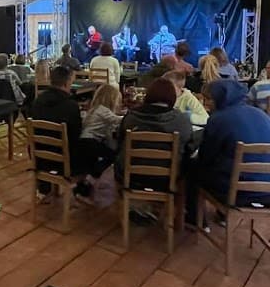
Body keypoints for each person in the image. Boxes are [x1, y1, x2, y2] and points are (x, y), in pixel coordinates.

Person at [185, 80, 270, 227]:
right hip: (266, 191)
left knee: (192, 168)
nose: (207, 104)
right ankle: (222, 216)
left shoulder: (219, 119)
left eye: (209, 99)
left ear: (221, 98)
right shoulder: (262, 116)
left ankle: (195, 219)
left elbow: (206, 157)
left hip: (236, 193)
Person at [115, 78, 194, 205]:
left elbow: (119, 142)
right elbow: (188, 147)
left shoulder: (131, 118)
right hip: (168, 178)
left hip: (131, 176)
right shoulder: (181, 121)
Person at [30, 66, 81, 192]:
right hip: (63, 160)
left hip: (39, 157)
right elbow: (76, 135)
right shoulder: (71, 105)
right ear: (66, 82)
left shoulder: (38, 101)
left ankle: (44, 185)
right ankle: (83, 189)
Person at [77, 83, 123, 197]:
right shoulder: (103, 110)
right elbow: (117, 120)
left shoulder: (95, 109)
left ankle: (85, 185)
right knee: (114, 156)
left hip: (84, 142)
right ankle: (90, 181)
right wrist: (130, 115)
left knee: (99, 160)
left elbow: (107, 134)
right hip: (91, 142)